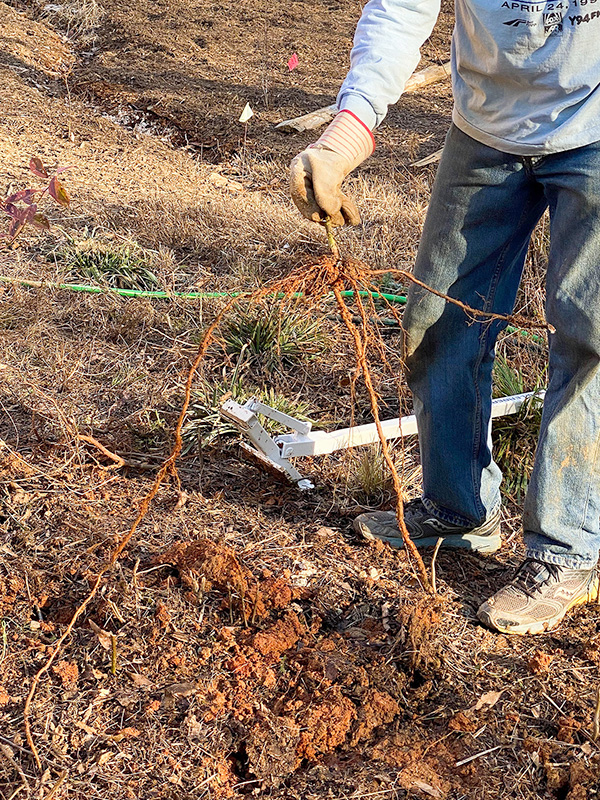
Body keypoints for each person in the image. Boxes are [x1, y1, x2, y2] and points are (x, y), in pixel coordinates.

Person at [289, 0, 600, 635]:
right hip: (485, 129)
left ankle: (566, 552)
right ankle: (459, 511)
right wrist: (344, 139)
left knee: (588, 337)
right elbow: (401, 10)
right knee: (437, 321)